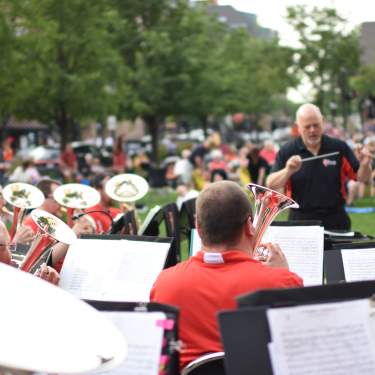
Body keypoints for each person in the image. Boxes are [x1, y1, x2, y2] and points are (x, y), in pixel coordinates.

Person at [150, 181, 303, 369]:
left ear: (198, 228)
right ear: (249, 225)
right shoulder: (283, 283)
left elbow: (162, 362)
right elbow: (296, 357)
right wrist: (283, 276)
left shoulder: (165, 282)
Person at [266, 103, 372, 230]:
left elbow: (362, 178)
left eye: (316, 125)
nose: (312, 130)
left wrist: (365, 165)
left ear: (322, 122)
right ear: (298, 127)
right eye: (307, 126)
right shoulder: (287, 150)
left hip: (335, 220)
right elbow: (271, 183)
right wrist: (288, 170)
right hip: (300, 221)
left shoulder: (338, 147)